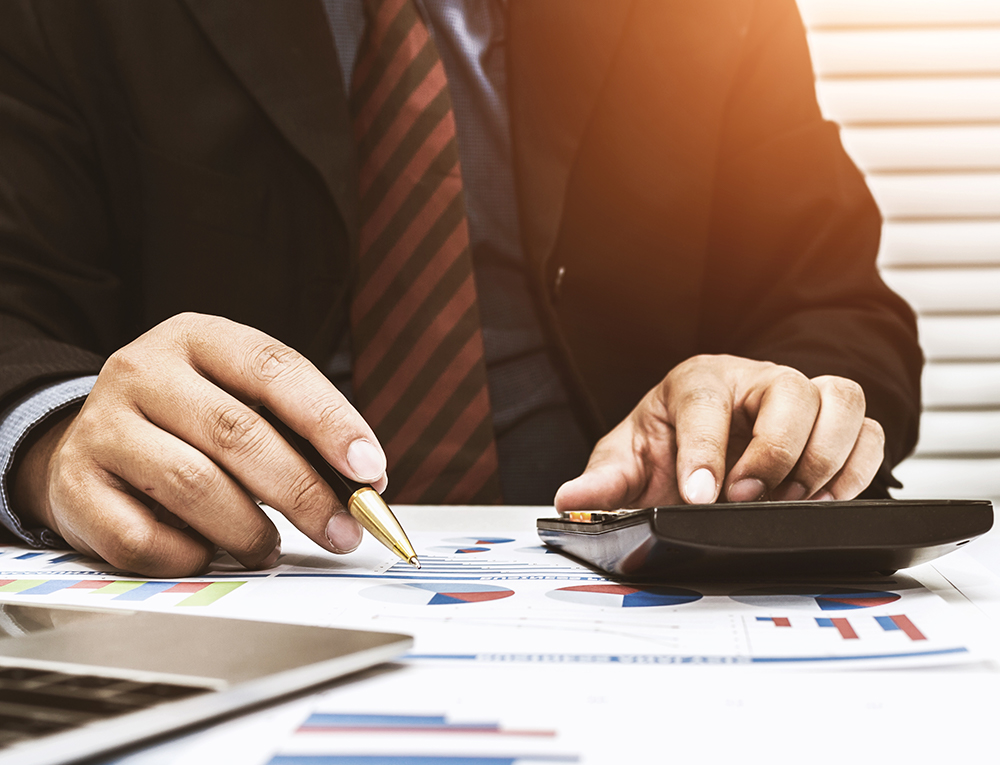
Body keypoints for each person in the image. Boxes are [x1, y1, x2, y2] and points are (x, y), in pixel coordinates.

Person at [0, 0, 921, 578]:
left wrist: (769, 412)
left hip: (615, 572)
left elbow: (839, 311)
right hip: (232, 560)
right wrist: (56, 437)